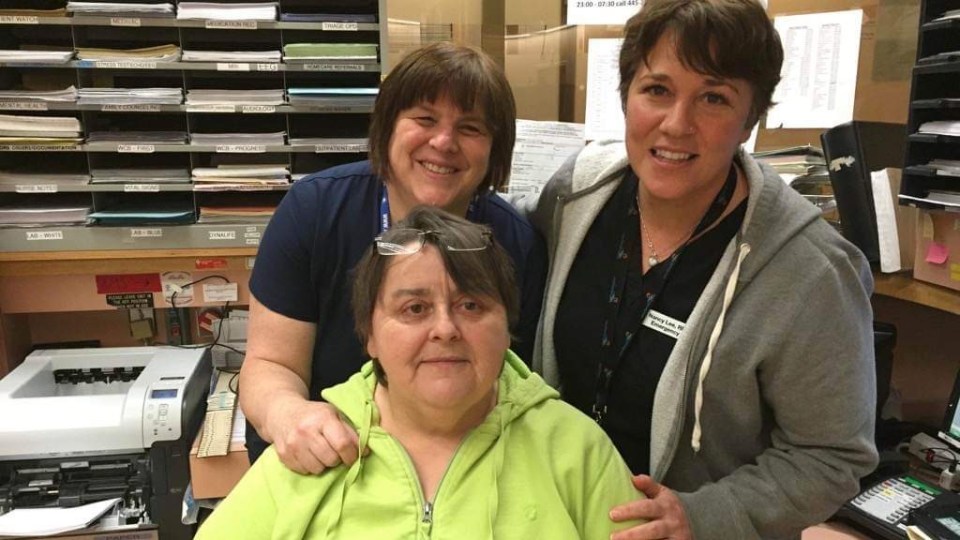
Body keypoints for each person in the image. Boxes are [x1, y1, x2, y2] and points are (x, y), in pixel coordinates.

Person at [523, 0, 878, 538]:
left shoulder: (811, 270)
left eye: (714, 98)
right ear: (626, 96)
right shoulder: (576, 194)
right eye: (657, 90)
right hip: (554, 517)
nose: (676, 124)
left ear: (749, 120)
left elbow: (832, 457)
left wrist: (705, 515)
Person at [197, 207, 641, 539]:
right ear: (369, 336)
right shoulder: (313, 450)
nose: (445, 328)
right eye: (415, 308)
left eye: (471, 305)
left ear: (508, 328)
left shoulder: (577, 451)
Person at [238, 42, 547, 471]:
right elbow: (270, 364)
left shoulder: (515, 241)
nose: (444, 142)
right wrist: (288, 414)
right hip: (327, 466)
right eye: (425, 119)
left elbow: (512, 380)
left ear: (495, 149)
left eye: (471, 128)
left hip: (462, 468)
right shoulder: (314, 211)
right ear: (387, 127)